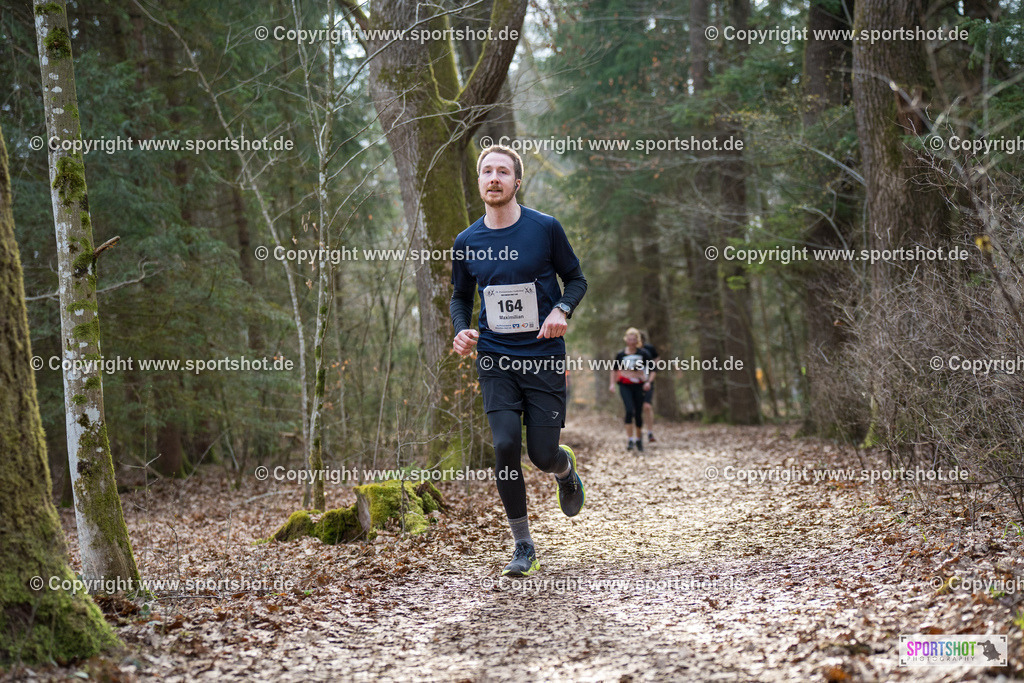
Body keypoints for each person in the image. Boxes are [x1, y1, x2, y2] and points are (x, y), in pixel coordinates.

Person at [450, 144, 588, 577]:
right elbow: (460, 296)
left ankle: (563, 468)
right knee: (505, 444)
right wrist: (461, 328)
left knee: (540, 455)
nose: (494, 178)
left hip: (544, 356)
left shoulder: (545, 229)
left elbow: (577, 279)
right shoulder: (466, 241)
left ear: (516, 182)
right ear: (479, 182)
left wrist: (561, 310)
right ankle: (523, 545)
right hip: (495, 357)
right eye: (486, 172)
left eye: (502, 172)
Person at [609, 328, 655, 452]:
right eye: (629, 339)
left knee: (638, 413)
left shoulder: (643, 354)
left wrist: (648, 382)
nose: (631, 341)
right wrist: (612, 384)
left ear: (637, 340)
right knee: (629, 410)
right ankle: (630, 439)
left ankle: (638, 439)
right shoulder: (621, 354)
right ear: (626, 340)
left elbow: (652, 370)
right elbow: (614, 370)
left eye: (634, 339)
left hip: (639, 386)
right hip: (624, 385)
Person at [640, 331, 659, 443]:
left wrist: (652, 368)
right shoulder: (630, 351)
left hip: (648, 380)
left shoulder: (649, 349)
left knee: (647, 406)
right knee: (636, 408)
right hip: (634, 383)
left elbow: (657, 358)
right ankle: (638, 432)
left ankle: (650, 432)